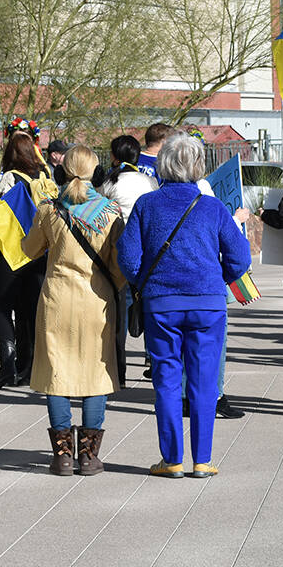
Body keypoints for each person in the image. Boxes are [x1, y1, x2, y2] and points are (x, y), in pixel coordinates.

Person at [118, 133, 250, 477]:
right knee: (205, 381)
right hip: (207, 302)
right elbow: (240, 256)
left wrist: (144, 282)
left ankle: (172, 458)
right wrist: (216, 278)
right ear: (198, 167)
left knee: (166, 379)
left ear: (163, 165)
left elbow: (128, 258)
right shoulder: (212, 206)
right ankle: (202, 459)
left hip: (161, 302)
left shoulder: (147, 206)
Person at [22, 145, 126, 475]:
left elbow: (29, 248)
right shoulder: (110, 213)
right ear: (95, 171)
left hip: (56, 300)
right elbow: (119, 266)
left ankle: (62, 456)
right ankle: (89, 457)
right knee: (95, 375)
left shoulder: (49, 210)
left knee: (58, 376)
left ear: (64, 171)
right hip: (96, 302)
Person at [0, 131, 50, 389]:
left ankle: (7, 367)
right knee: (28, 311)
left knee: (2, 309)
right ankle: (29, 367)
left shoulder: (10, 177)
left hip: (10, 254)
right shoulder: (44, 177)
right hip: (37, 254)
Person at [99, 134, 157, 221]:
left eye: (111, 152)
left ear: (116, 159)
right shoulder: (152, 182)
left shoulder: (108, 184)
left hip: (119, 232)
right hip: (145, 231)